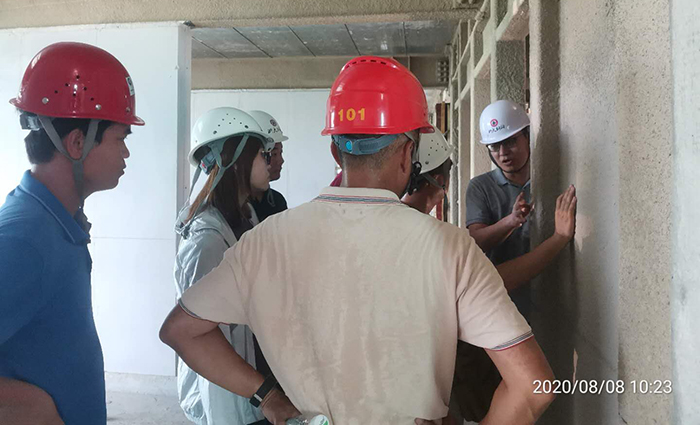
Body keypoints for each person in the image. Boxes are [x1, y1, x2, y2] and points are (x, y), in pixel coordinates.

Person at [160, 57, 555, 425]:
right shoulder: (451, 248)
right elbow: (534, 387)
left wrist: (266, 396)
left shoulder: (263, 241)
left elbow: (180, 331)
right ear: (408, 154)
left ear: (335, 150)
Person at [0, 42, 145, 425]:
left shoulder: (55, 222)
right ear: (77, 142)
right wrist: (33, 408)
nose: (126, 154)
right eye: (121, 138)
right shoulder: (23, 240)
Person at [454, 99, 576, 422]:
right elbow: (475, 241)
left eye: (510, 142)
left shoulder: (549, 177)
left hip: (548, 306)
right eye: (495, 147)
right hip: (500, 309)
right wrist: (510, 222)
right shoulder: (481, 188)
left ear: (526, 136)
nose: (503, 153)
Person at [174, 107, 275, 425]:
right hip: (228, 403)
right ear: (237, 160)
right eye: (262, 154)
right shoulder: (208, 241)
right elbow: (205, 339)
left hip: (250, 390)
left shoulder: (245, 218)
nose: (269, 162)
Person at [248, 110, 288, 222]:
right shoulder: (232, 207)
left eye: (281, 153)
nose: (281, 161)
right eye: (273, 154)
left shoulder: (277, 201)